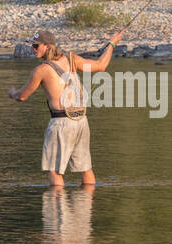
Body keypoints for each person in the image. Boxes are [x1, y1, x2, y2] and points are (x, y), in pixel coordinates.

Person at [8, 28, 125, 188]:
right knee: (85, 169)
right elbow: (101, 65)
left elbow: (22, 96)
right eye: (32, 46)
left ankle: (57, 211)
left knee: (55, 172)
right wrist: (112, 44)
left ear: (47, 47)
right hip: (81, 121)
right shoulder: (72, 59)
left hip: (61, 123)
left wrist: (13, 93)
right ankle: (85, 210)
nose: (32, 49)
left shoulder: (41, 70)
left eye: (36, 46)